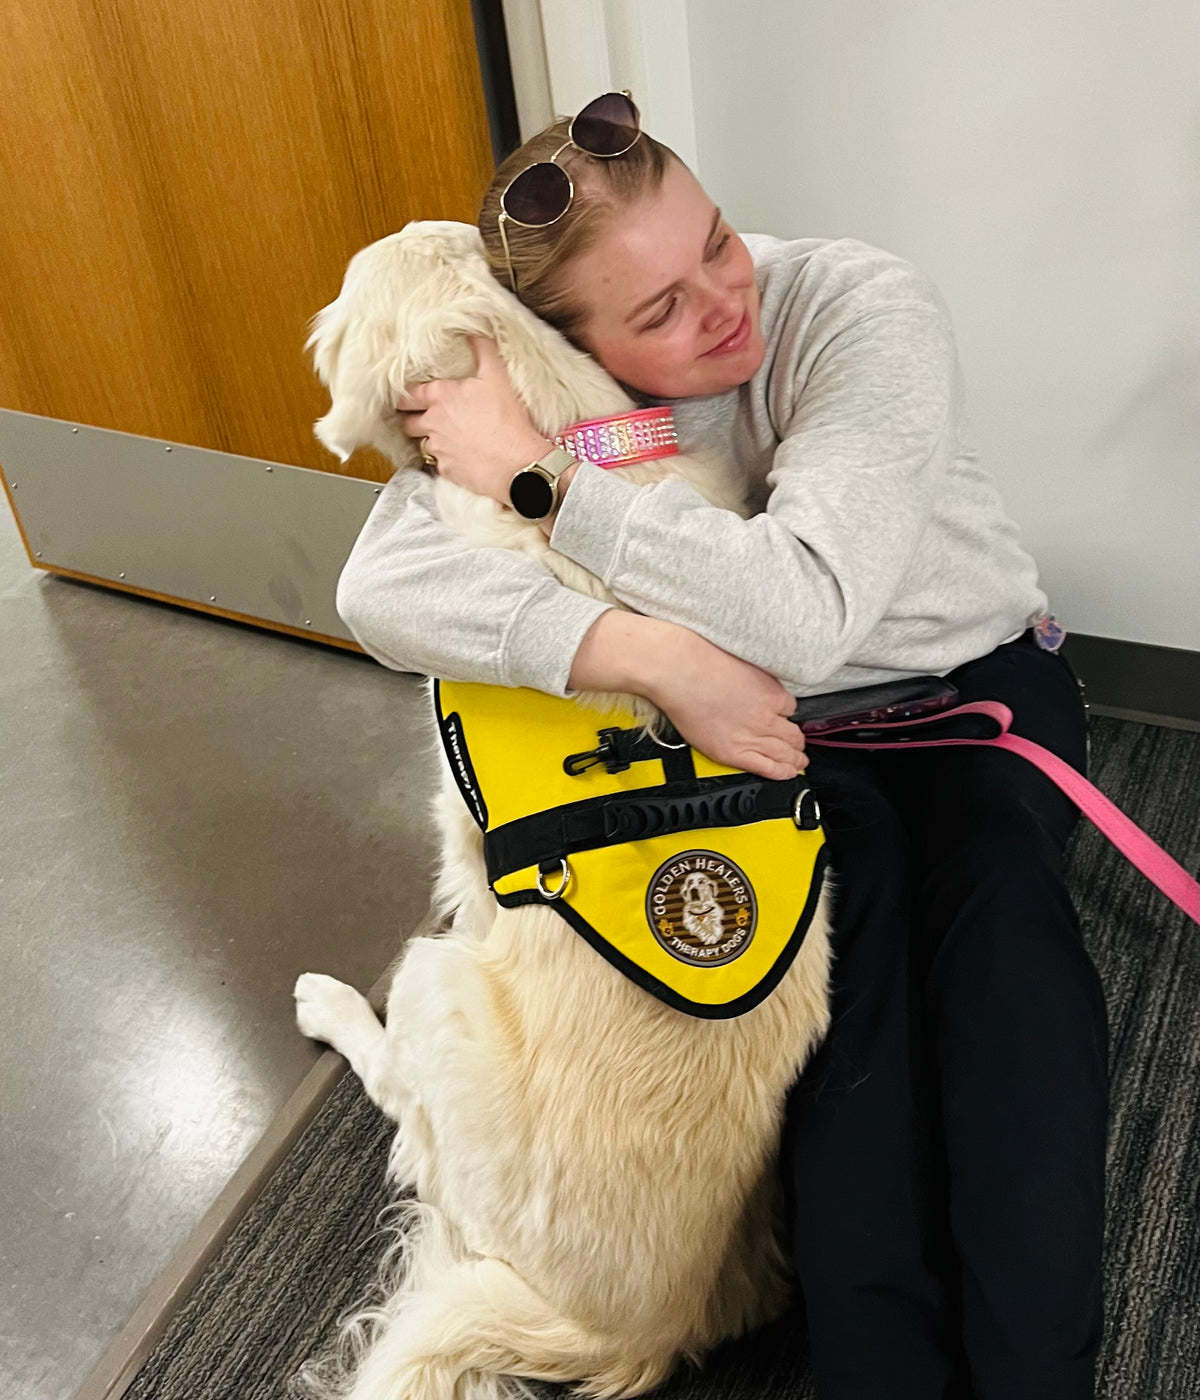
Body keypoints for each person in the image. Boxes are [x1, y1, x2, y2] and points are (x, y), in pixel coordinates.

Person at [335, 98, 1109, 1400]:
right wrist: (652, 658)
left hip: (967, 683)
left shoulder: (854, 305)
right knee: (848, 975)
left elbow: (808, 612)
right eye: (659, 310)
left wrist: (542, 478)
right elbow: (377, 590)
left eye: (716, 242)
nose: (723, 305)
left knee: (1002, 929)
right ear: (573, 344)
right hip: (765, 731)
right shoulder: (544, 381)